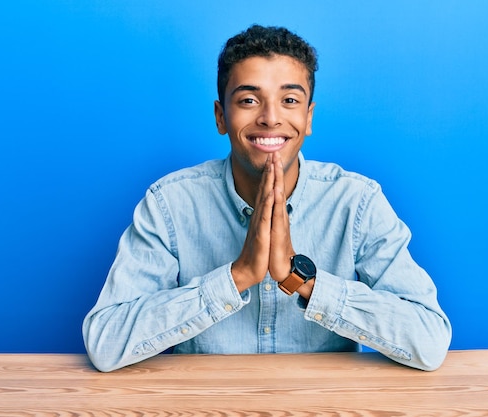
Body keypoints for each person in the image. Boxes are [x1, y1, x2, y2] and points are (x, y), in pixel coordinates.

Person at [82, 25, 452, 372]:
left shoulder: (357, 202)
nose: (271, 118)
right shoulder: (169, 203)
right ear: (220, 116)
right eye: (248, 100)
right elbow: (105, 342)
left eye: (289, 100)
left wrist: (300, 279)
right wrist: (238, 275)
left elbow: (430, 340)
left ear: (308, 117)